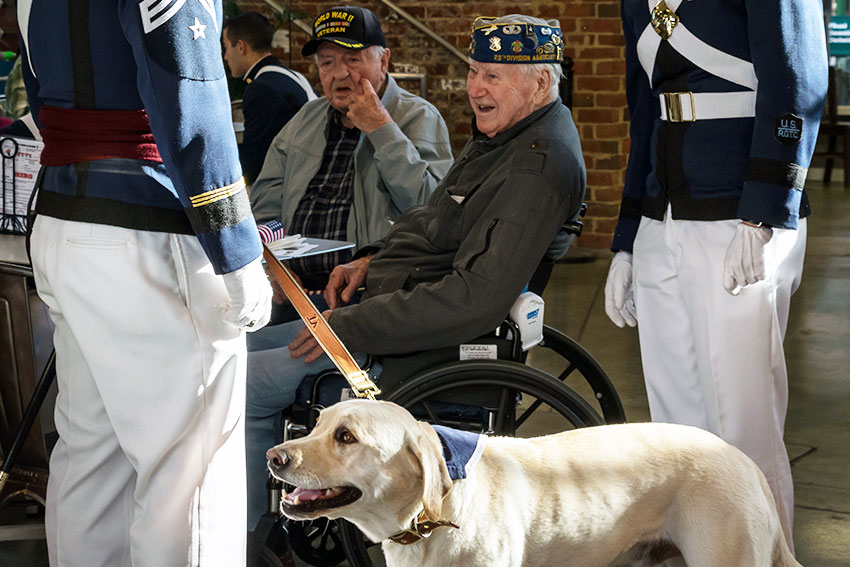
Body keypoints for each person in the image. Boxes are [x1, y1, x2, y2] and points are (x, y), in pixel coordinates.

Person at [245, 12, 585, 533]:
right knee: (229, 351)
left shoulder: (536, 166)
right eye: (474, 71)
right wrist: (374, 261)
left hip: (407, 343)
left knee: (233, 386)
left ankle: (252, 537)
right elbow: (439, 222)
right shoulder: (505, 139)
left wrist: (352, 326)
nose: (476, 88)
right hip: (378, 314)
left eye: (493, 75)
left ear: (540, 82)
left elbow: (475, 297)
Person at [19, 1, 273, 566]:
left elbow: (38, 96)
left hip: (65, 214)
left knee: (92, 455)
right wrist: (235, 250)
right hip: (146, 229)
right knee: (189, 470)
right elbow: (190, 93)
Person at [605, 0, 828, 552]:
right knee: (678, 431)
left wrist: (767, 206)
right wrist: (629, 237)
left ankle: (768, 560)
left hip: (740, 216)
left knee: (743, 423)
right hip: (665, 215)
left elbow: (797, 81)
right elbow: (644, 110)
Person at [249, 5, 453, 297]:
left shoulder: (417, 117)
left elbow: (434, 212)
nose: (340, 73)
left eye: (353, 59)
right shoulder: (305, 119)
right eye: (327, 62)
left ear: (384, 61)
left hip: (370, 290)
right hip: (294, 290)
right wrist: (272, 268)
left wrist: (382, 129)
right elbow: (265, 208)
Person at [222, 12, 317, 184]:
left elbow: (254, 163)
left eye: (226, 47)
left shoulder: (262, 88)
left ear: (241, 47)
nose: (225, 56)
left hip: (292, 183)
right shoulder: (292, 75)